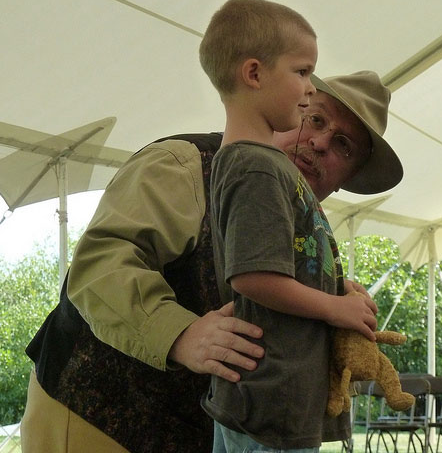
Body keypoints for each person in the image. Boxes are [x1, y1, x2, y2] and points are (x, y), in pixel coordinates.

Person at [21, 52, 402, 453]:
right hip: (95, 416)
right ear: (289, 110)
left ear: (348, 176)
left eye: (343, 145)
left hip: (198, 432)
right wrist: (181, 334)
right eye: (317, 120)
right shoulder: (187, 164)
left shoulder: (311, 225)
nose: (321, 142)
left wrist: (333, 306)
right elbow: (101, 266)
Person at [197, 0, 386, 452]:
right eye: (302, 74)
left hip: (280, 407)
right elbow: (254, 276)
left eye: (341, 145)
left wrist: (338, 288)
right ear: (255, 74)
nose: (307, 90)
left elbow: (284, 263)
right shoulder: (256, 168)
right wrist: (333, 308)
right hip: (268, 407)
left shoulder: (273, 174)